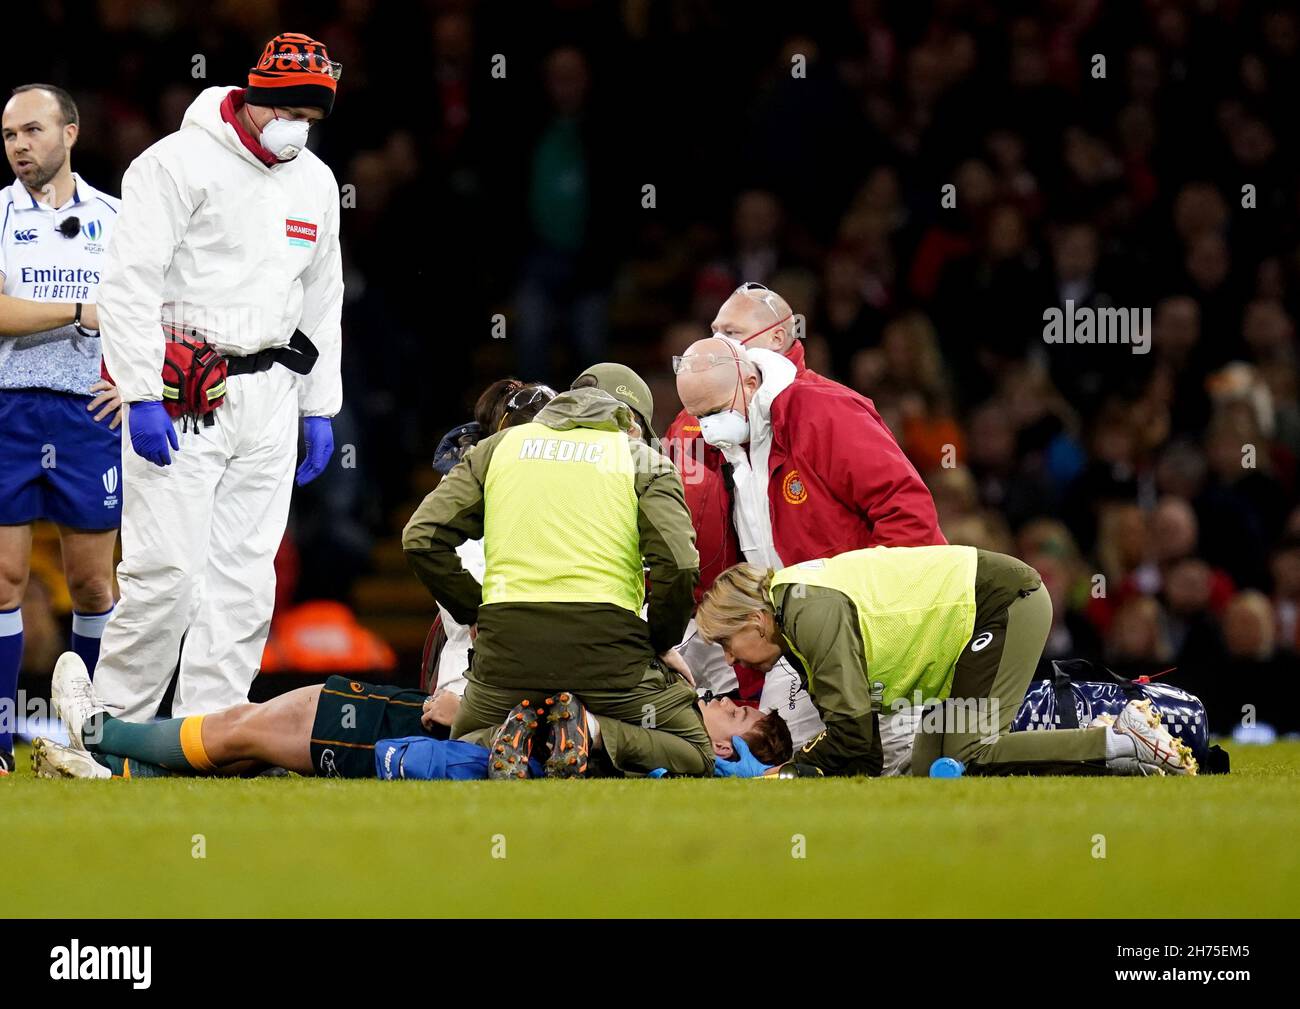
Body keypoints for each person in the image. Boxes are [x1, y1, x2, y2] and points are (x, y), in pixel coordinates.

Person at [91, 33, 344, 720]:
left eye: (314, 118)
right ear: (258, 99)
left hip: (271, 390)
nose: (302, 128)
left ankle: (206, 733)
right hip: (183, 387)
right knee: (165, 574)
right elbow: (128, 284)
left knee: (243, 577)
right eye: (292, 112)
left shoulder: (315, 180)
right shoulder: (174, 164)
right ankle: (108, 730)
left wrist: (321, 407)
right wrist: (140, 392)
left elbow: (322, 297)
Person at [402, 367, 711, 778]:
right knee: (695, 749)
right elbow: (680, 563)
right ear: (632, 422)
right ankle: (593, 730)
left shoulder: (498, 448)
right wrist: (659, 639)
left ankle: (505, 736)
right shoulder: (643, 461)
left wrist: (477, 612)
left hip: (508, 651)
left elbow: (421, 538)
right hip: (611, 652)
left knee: (463, 744)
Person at [672, 318, 945, 766]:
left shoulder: (822, 412)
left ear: (750, 379)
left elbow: (906, 512)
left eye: (714, 411)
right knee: (792, 740)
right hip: (787, 625)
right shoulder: (723, 433)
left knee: (890, 751)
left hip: (857, 619)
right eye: (698, 417)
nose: (707, 426)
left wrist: (883, 613)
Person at [694, 546, 1199, 777]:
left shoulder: (807, 613)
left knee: (971, 755)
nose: (728, 657)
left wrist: (791, 773)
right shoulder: (796, 605)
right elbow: (861, 749)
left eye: (725, 642)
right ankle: (1132, 759)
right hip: (978, 618)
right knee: (930, 764)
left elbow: (855, 735)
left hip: (1001, 606)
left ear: (755, 623)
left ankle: (1120, 737)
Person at [34, 650, 791, 779]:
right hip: (440, 724)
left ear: (733, 752)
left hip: (432, 739)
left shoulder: (669, 751)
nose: (731, 700)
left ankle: (98, 732)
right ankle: (121, 763)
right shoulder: (672, 724)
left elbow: (567, 729)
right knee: (251, 732)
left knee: (249, 729)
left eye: (741, 714)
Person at [0, 84, 122, 773]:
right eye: (11, 134)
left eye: (33, 130)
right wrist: (78, 309)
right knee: (3, 579)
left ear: (70, 133)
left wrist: (134, 387)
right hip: (10, 406)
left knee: (94, 587)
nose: (20, 145)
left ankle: (93, 738)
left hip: (87, 413)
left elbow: (142, 314)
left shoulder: (118, 217)